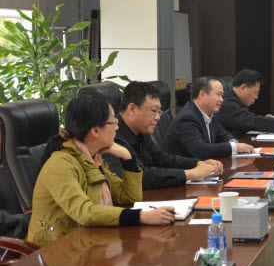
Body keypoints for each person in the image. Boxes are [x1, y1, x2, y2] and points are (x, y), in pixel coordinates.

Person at [26, 92, 175, 248]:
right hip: (56, 250)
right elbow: (85, 213)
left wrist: (128, 159)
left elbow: (129, 197)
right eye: (113, 122)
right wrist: (141, 217)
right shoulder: (60, 164)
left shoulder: (92, 158)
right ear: (96, 130)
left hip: (88, 241)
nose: (117, 127)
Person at [106, 82, 223, 190]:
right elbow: (140, 177)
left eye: (159, 112)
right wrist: (191, 174)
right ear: (132, 109)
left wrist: (198, 163)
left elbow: (162, 159)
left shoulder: (140, 131)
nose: (158, 117)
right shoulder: (111, 136)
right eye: (154, 111)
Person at [164, 76, 254, 159]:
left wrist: (233, 142)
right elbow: (201, 150)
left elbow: (223, 135)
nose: (221, 99)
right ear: (202, 94)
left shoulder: (210, 115)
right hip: (186, 169)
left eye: (222, 96)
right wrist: (234, 147)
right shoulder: (187, 118)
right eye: (218, 95)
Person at [217, 69, 274, 138]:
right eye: (255, 92)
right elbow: (253, 121)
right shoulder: (227, 104)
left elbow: (248, 121)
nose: (256, 97)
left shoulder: (236, 101)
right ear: (243, 88)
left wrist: (267, 120)